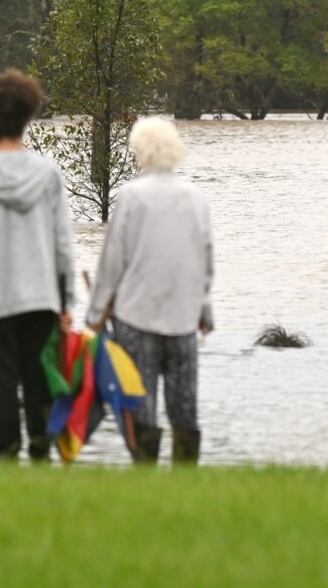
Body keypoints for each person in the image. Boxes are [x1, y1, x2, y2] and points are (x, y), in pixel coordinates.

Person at [0, 69, 74, 463]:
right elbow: (62, 244)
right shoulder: (48, 175)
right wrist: (66, 299)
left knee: (1, 381)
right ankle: (41, 452)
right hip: (41, 296)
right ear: (28, 114)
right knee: (38, 378)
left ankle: (8, 453)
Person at [86, 116, 213, 466]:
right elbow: (203, 261)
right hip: (183, 318)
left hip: (135, 317)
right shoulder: (195, 198)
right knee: (184, 405)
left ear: (140, 151)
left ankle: (145, 474)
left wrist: (95, 315)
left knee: (141, 403)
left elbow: (112, 262)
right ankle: (186, 477)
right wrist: (204, 311)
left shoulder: (130, 196)